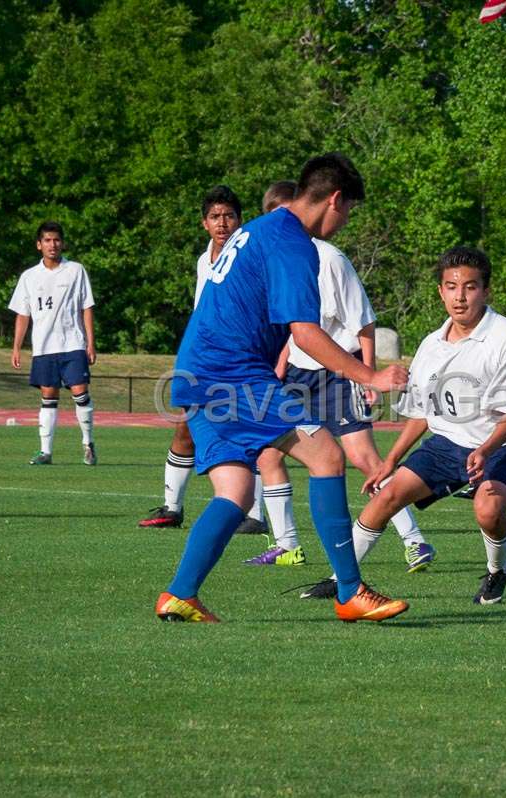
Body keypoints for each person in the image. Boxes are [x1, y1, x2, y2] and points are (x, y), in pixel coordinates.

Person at [154, 152, 410, 624]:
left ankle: (179, 594)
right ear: (333, 199)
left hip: (197, 373)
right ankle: (350, 591)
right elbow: (306, 331)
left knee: (234, 492)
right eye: (349, 210)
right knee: (327, 455)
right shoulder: (294, 244)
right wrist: (370, 375)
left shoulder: (259, 227)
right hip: (233, 373)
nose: (346, 221)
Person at [300, 246, 506, 605]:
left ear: (486, 291)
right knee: (387, 496)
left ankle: (497, 570)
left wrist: (484, 450)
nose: (460, 297)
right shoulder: (431, 344)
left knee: (488, 511)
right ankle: (342, 579)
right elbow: (422, 413)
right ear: (441, 291)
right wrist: (390, 461)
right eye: (451, 286)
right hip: (447, 443)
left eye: (471, 287)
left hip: (505, 444)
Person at [245, 181, 435, 571]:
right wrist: (281, 361)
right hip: (300, 372)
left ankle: (415, 541)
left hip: (339, 372)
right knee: (267, 451)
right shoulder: (280, 261)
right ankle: (287, 546)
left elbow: (363, 322)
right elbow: (294, 325)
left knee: (364, 458)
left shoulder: (330, 259)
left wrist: (368, 376)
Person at [138, 185, 267, 536]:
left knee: (250, 430)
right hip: (207, 357)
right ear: (204, 224)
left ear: (241, 221)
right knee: (185, 425)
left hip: (244, 358)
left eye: (228, 216)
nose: (222, 223)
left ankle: (254, 514)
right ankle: (172, 507)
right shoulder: (204, 259)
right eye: (215, 217)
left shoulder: (252, 256)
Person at [8, 222, 97, 466]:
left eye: (56, 240)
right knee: (48, 396)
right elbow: (22, 314)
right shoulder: (29, 276)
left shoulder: (76, 270)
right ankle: (45, 451)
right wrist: (16, 346)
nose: (52, 244)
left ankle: (88, 444)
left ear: (62, 243)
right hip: (44, 347)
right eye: (47, 240)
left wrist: (91, 342)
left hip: (72, 343)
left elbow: (86, 307)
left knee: (80, 393)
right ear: (39, 245)